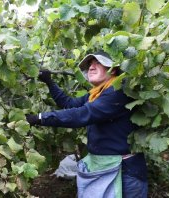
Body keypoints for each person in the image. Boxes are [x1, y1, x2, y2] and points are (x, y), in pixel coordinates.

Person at [26, 51, 148, 198]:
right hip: (106, 167)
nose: (91, 67)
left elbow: (81, 115)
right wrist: (49, 82)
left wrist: (39, 118)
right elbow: (69, 104)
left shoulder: (118, 92)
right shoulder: (97, 94)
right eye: (90, 65)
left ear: (113, 69)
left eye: (98, 63)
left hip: (125, 172)